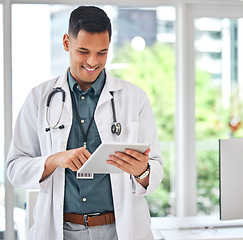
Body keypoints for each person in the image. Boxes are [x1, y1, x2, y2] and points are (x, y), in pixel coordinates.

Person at [6, 6, 163, 240]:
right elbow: (14, 169)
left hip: (119, 231)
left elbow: (156, 167)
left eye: (102, 52)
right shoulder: (39, 98)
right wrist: (54, 160)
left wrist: (142, 171)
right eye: (83, 51)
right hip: (60, 230)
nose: (93, 61)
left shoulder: (134, 98)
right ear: (66, 43)